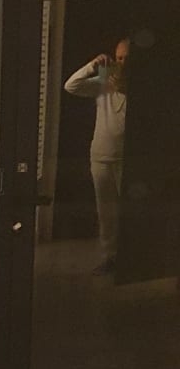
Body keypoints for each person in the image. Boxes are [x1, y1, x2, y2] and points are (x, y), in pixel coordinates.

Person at [64, 37, 129, 273]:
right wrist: (92, 66)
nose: (122, 63)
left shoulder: (145, 86)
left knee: (130, 212)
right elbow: (71, 86)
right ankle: (110, 257)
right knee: (106, 213)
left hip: (127, 158)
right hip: (101, 156)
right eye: (119, 57)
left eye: (127, 58)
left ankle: (131, 260)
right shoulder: (103, 81)